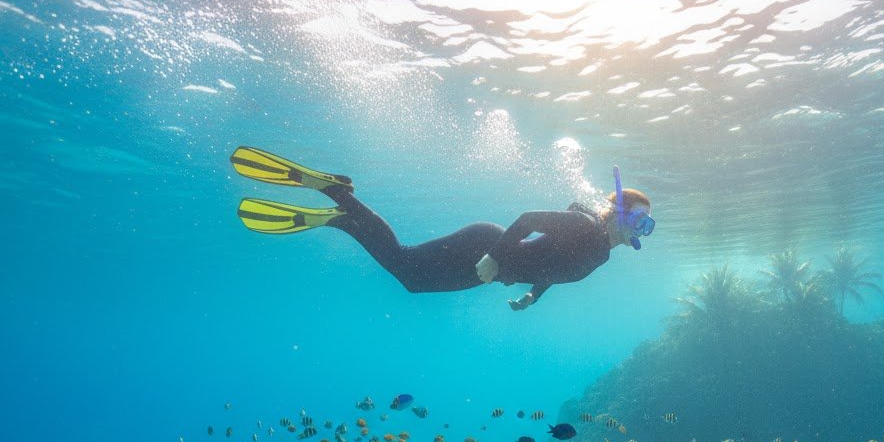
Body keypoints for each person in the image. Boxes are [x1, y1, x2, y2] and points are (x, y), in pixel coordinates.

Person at [230, 147, 654, 311]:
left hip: (494, 267)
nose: (639, 228)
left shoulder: (599, 251)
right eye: (637, 218)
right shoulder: (583, 225)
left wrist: (532, 296)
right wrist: (494, 258)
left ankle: (343, 208)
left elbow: (555, 267)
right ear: (616, 209)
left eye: (646, 225)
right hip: (485, 248)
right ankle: (343, 204)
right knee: (405, 262)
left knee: (411, 280)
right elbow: (526, 221)